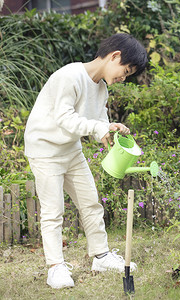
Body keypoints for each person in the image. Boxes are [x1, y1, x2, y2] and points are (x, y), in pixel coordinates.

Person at [24, 33, 148, 289]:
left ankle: (101, 256)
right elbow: (64, 118)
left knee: (90, 202)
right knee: (53, 210)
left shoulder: (100, 87)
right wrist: (95, 127)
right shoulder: (69, 76)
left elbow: (97, 118)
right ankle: (55, 267)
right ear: (114, 56)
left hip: (70, 150)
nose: (123, 78)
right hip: (45, 150)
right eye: (125, 71)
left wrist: (108, 129)